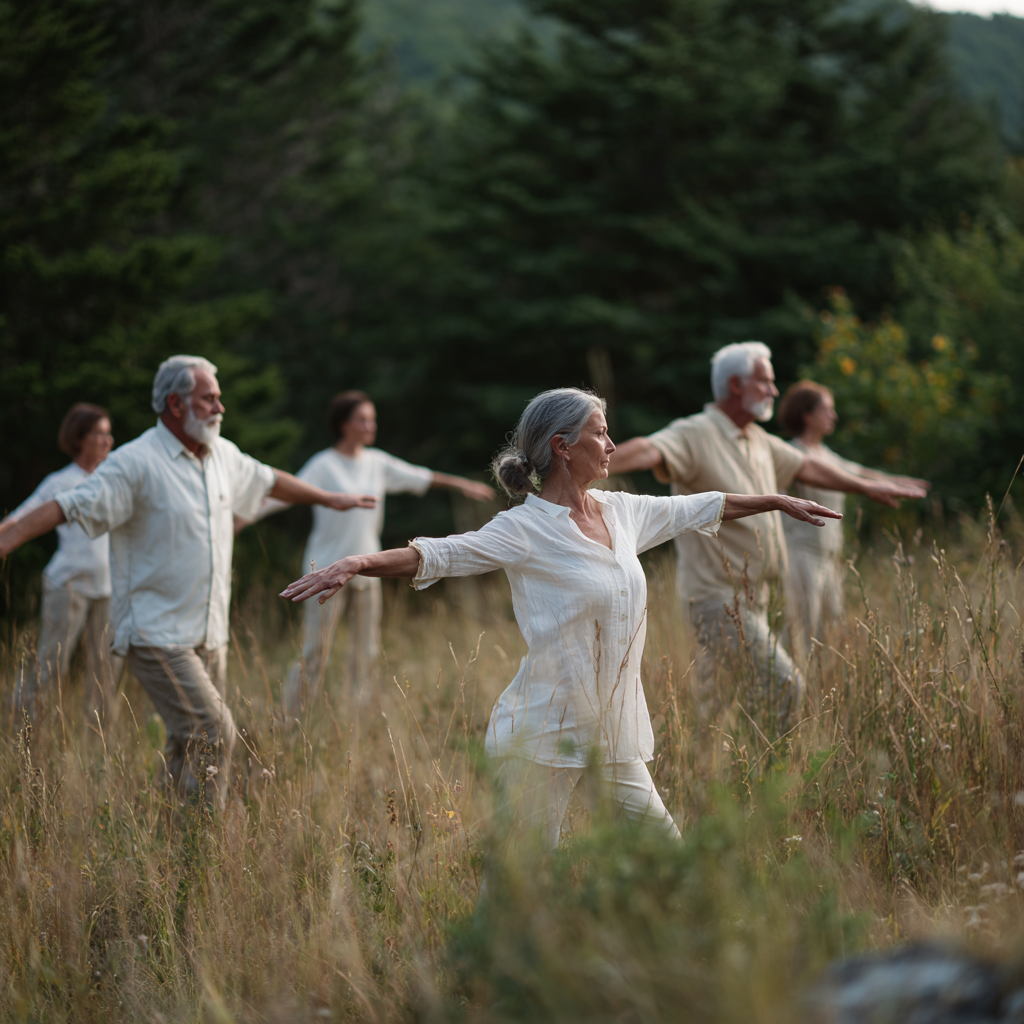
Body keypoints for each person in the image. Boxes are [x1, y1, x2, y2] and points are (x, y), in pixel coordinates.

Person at [279, 387, 841, 850]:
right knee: (521, 884)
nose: (612, 444)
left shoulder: (623, 514)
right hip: (542, 735)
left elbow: (701, 505)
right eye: (601, 432)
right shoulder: (524, 528)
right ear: (563, 446)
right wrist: (357, 561)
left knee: (668, 855)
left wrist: (775, 501)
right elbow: (440, 554)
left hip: (612, 731)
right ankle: (493, 979)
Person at [0, 356, 377, 808]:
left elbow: (270, 479)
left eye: (218, 397)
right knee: (215, 733)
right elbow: (67, 504)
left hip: (208, 632)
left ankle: (166, 839)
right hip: (156, 632)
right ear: (176, 404)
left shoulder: (222, 455)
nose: (220, 406)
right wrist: (11, 535)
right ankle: (205, 847)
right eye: (209, 398)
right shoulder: (133, 463)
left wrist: (329, 498)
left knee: (187, 743)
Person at [608, 342, 926, 730]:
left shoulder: (758, 440)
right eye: (766, 382)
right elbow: (648, 450)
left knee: (719, 701)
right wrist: (592, 465)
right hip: (717, 599)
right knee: (787, 684)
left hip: (758, 597)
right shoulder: (696, 433)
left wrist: (866, 486)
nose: (774, 391)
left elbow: (810, 466)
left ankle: (710, 774)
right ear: (738, 385)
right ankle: (774, 779)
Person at [246, 391, 494, 717]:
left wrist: (462, 484)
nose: (370, 425)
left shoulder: (377, 462)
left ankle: (356, 723)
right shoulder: (323, 465)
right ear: (343, 425)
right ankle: (290, 723)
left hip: (368, 570)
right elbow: (287, 495)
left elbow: (421, 475)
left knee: (366, 652)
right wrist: (241, 516)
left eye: (372, 419)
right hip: (326, 572)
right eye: (362, 419)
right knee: (316, 651)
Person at [777, 380, 929, 651]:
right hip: (800, 555)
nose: (833, 416)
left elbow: (862, 474)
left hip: (829, 557)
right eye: (827, 409)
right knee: (801, 631)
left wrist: (899, 483)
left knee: (829, 629)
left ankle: (818, 690)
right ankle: (788, 688)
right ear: (807, 415)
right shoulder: (791, 454)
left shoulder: (826, 455)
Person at [0, 404, 120, 721]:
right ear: (79, 438)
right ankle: (22, 734)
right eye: (99, 434)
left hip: (109, 590)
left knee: (106, 672)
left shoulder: (115, 478)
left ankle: (102, 754)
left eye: (109, 434)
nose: (107, 441)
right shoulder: (61, 482)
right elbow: (22, 517)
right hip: (68, 587)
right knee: (51, 666)